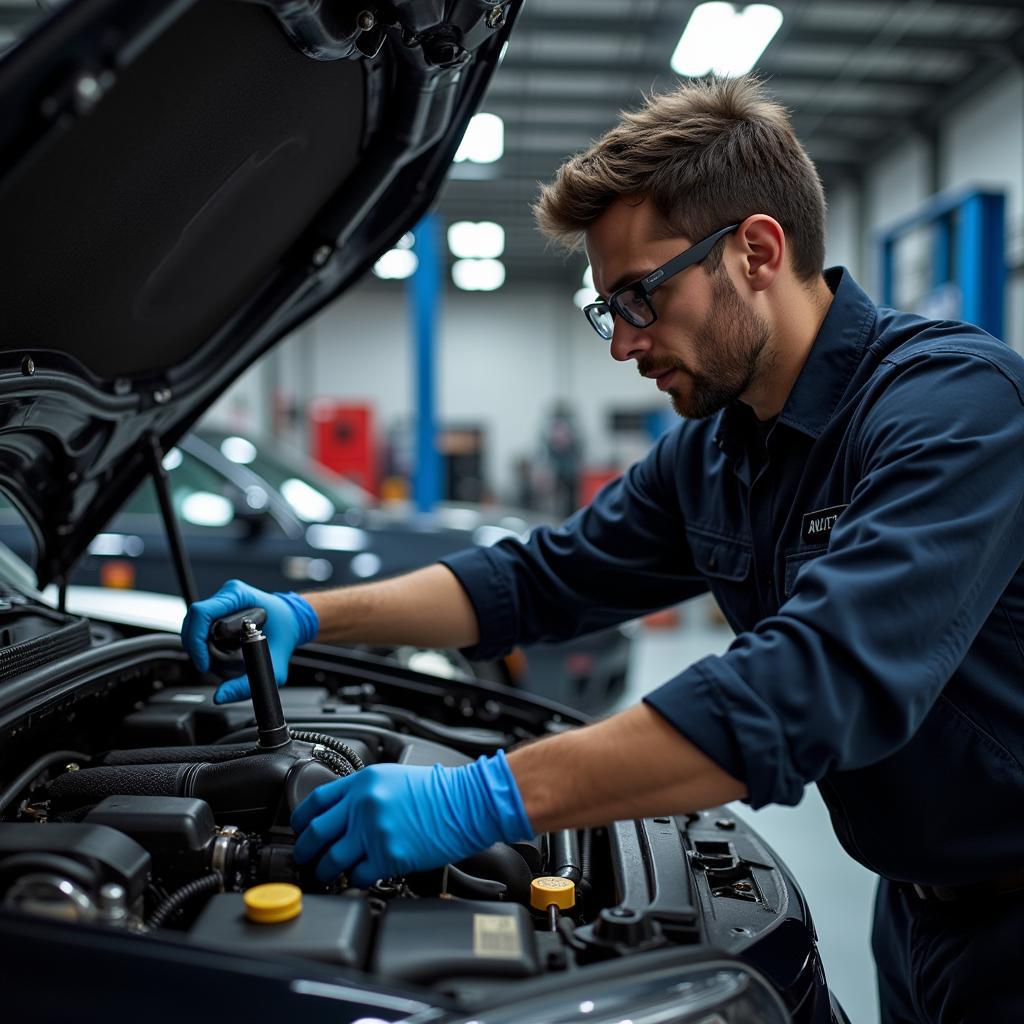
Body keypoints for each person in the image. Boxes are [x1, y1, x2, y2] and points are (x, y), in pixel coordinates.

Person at [181, 77, 1024, 1022]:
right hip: (913, 910)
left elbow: (816, 682)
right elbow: (540, 577)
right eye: (607, 309)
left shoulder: (955, 409)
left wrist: (473, 802)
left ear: (756, 250)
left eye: (640, 297)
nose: (623, 344)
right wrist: (306, 617)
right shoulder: (717, 451)